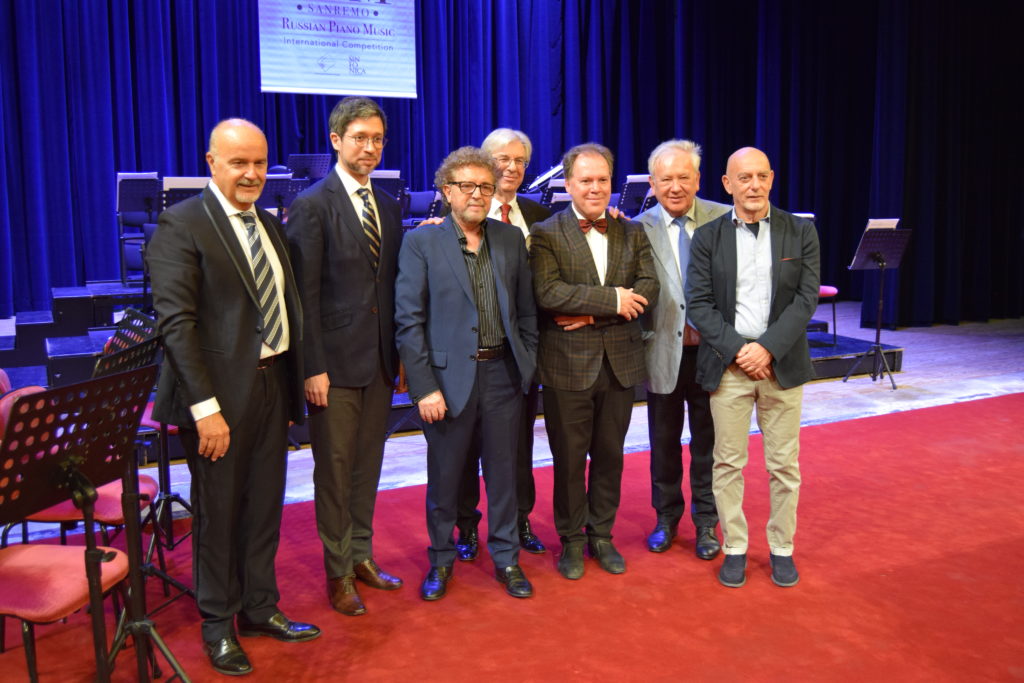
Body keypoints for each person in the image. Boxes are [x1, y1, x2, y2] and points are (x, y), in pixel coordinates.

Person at [148, 119, 320, 677]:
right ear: (212, 162)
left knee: (264, 506)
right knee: (219, 516)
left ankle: (259, 608)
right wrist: (206, 410)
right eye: (239, 162)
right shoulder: (181, 224)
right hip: (216, 401)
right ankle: (218, 624)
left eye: (259, 163)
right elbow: (178, 326)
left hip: (272, 385)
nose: (251, 174)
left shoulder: (268, 223)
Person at [395, 147, 539, 600]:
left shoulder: (510, 238)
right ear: (446, 191)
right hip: (445, 382)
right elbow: (409, 321)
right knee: (445, 479)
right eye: (467, 186)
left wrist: (526, 363)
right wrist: (424, 388)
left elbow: (527, 312)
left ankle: (507, 559)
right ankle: (440, 561)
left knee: (504, 477)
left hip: (503, 376)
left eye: (485, 187)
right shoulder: (421, 242)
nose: (477, 194)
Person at [286, 96, 404, 617]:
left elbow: (392, 289)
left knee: (367, 466)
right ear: (336, 140)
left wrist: (399, 356)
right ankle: (338, 574)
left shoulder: (390, 207)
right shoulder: (312, 206)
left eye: (377, 139)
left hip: (378, 363)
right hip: (330, 368)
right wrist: (311, 366)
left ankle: (361, 556)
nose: (370, 147)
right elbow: (302, 297)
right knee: (334, 473)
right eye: (360, 138)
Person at [685, 147, 820, 589]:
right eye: (744, 177)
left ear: (772, 178)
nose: (754, 185)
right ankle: (735, 547)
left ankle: (781, 547)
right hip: (730, 367)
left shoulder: (800, 231)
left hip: (782, 365)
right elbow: (699, 304)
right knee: (727, 463)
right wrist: (740, 350)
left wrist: (768, 349)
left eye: (761, 176)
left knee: (784, 465)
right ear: (728, 184)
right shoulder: (708, 237)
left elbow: (806, 299)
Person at [529, 142, 659, 580]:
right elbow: (548, 293)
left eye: (602, 179)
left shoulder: (632, 231)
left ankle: (601, 535)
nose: (595, 188)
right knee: (568, 460)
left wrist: (590, 313)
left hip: (620, 363)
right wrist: (614, 301)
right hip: (567, 365)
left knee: (609, 456)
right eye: (586, 180)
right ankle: (571, 539)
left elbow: (649, 287)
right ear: (568, 184)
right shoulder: (546, 233)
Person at [452, 128, 551, 561]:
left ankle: (518, 519)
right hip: (468, 353)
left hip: (520, 355)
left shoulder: (538, 213)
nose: (512, 167)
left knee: (518, 446)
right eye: (503, 159)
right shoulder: (458, 210)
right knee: (465, 448)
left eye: (520, 161)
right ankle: (466, 525)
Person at [636, 140, 730, 560]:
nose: (675, 187)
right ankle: (666, 518)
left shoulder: (725, 219)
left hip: (713, 353)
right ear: (652, 183)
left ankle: (707, 523)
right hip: (662, 354)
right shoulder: (636, 228)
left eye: (683, 177)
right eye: (666, 179)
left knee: (710, 445)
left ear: (698, 179)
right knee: (664, 443)